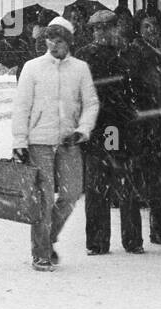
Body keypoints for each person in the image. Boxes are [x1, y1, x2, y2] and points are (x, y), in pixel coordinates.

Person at [11, 21, 99, 270]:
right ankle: (41, 253)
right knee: (44, 198)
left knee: (71, 194)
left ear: (69, 41)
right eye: (50, 39)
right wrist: (19, 141)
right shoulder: (32, 68)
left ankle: (47, 238)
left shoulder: (80, 69)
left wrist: (82, 130)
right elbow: (21, 106)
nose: (53, 44)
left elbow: (91, 102)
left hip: (69, 141)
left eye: (59, 40)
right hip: (39, 141)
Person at [122, 14, 161, 246]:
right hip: (148, 120)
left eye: (155, 25)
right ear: (139, 30)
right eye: (146, 26)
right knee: (153, 175)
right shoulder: (135, 52)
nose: (151, 30)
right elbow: (134, 85)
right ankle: (158, 231)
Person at [78, 10, 136, 255]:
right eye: (97, 29)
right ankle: (110, 240)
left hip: (111, 125)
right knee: (107, 183)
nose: (100, 32)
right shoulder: (118, 54)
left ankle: (122, 240)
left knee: (114, 183)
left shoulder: (91, 56)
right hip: (107, 125)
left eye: (105, 28)